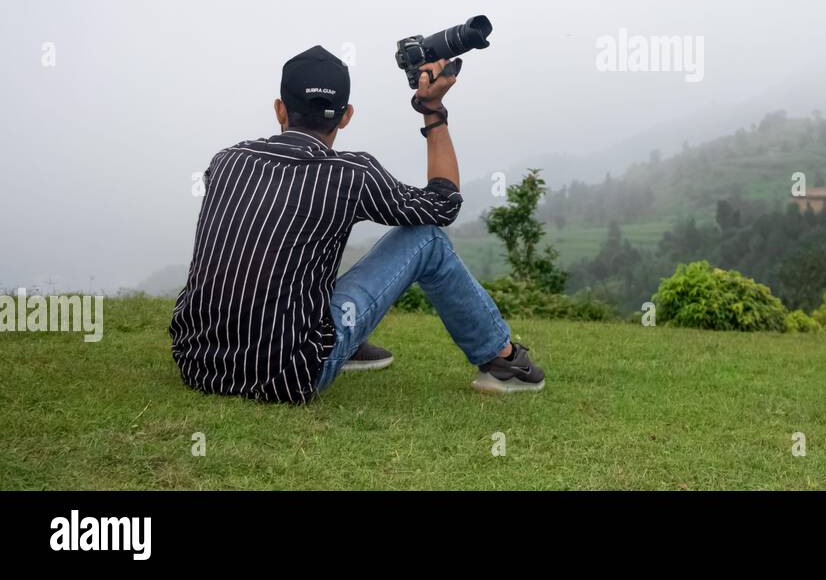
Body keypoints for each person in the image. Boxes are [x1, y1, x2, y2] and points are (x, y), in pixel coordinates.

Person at [168, 45, 544, 403]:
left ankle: (339, 339)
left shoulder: (226, 161)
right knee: (427, 238)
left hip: (197, 364)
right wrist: (432, 109)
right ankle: (504, 361)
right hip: (289, 373)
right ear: (346, 115)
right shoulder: (350, 174)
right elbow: (443, 205)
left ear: (280, 110)